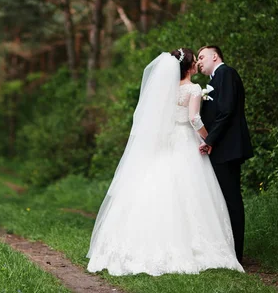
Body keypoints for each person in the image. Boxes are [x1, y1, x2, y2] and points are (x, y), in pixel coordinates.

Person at [86, 48, 243, 276]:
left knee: (158, 188)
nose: (198, 64)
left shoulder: (165, 91)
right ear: (189, 67)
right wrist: (208, 138)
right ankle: (193, 245)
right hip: (186, 142)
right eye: (195, 61)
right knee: (190, 191)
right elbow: (194, 118)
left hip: (167, 143)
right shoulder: (193, 88)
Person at [197, 45, 253, 264]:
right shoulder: (213, 80)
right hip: (221, 147)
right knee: (222, 198)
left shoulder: (226, 73)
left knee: (231, 199)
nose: (199, 61)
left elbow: (227, 110)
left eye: (202, 57)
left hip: (228, 147)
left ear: (215, 56)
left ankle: (237, 254)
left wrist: (209, 140)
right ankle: (227, 248)